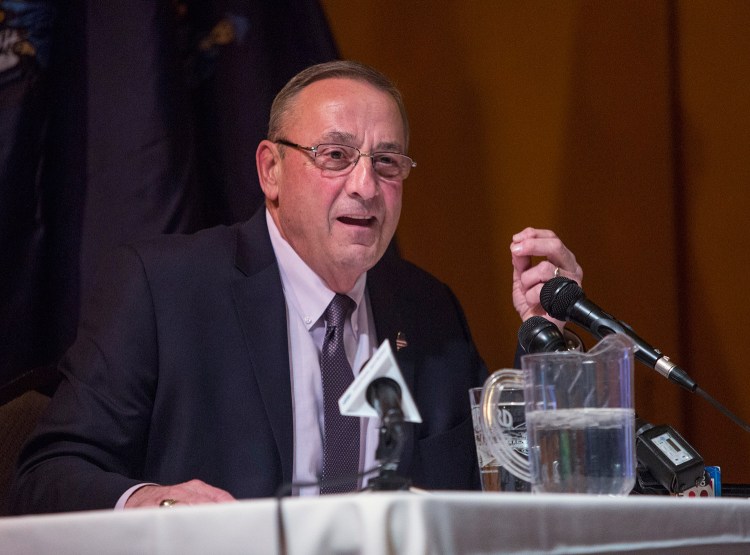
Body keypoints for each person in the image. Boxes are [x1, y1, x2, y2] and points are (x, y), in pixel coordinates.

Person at [9, 60, 582, 513]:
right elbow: (46, 476)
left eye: (387, 163)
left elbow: (508, 487)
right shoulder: (165, 291)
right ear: (270, 171)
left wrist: (545, 343)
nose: (365, 185)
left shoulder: (427, 308)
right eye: (335, 155)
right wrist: (151, 502)